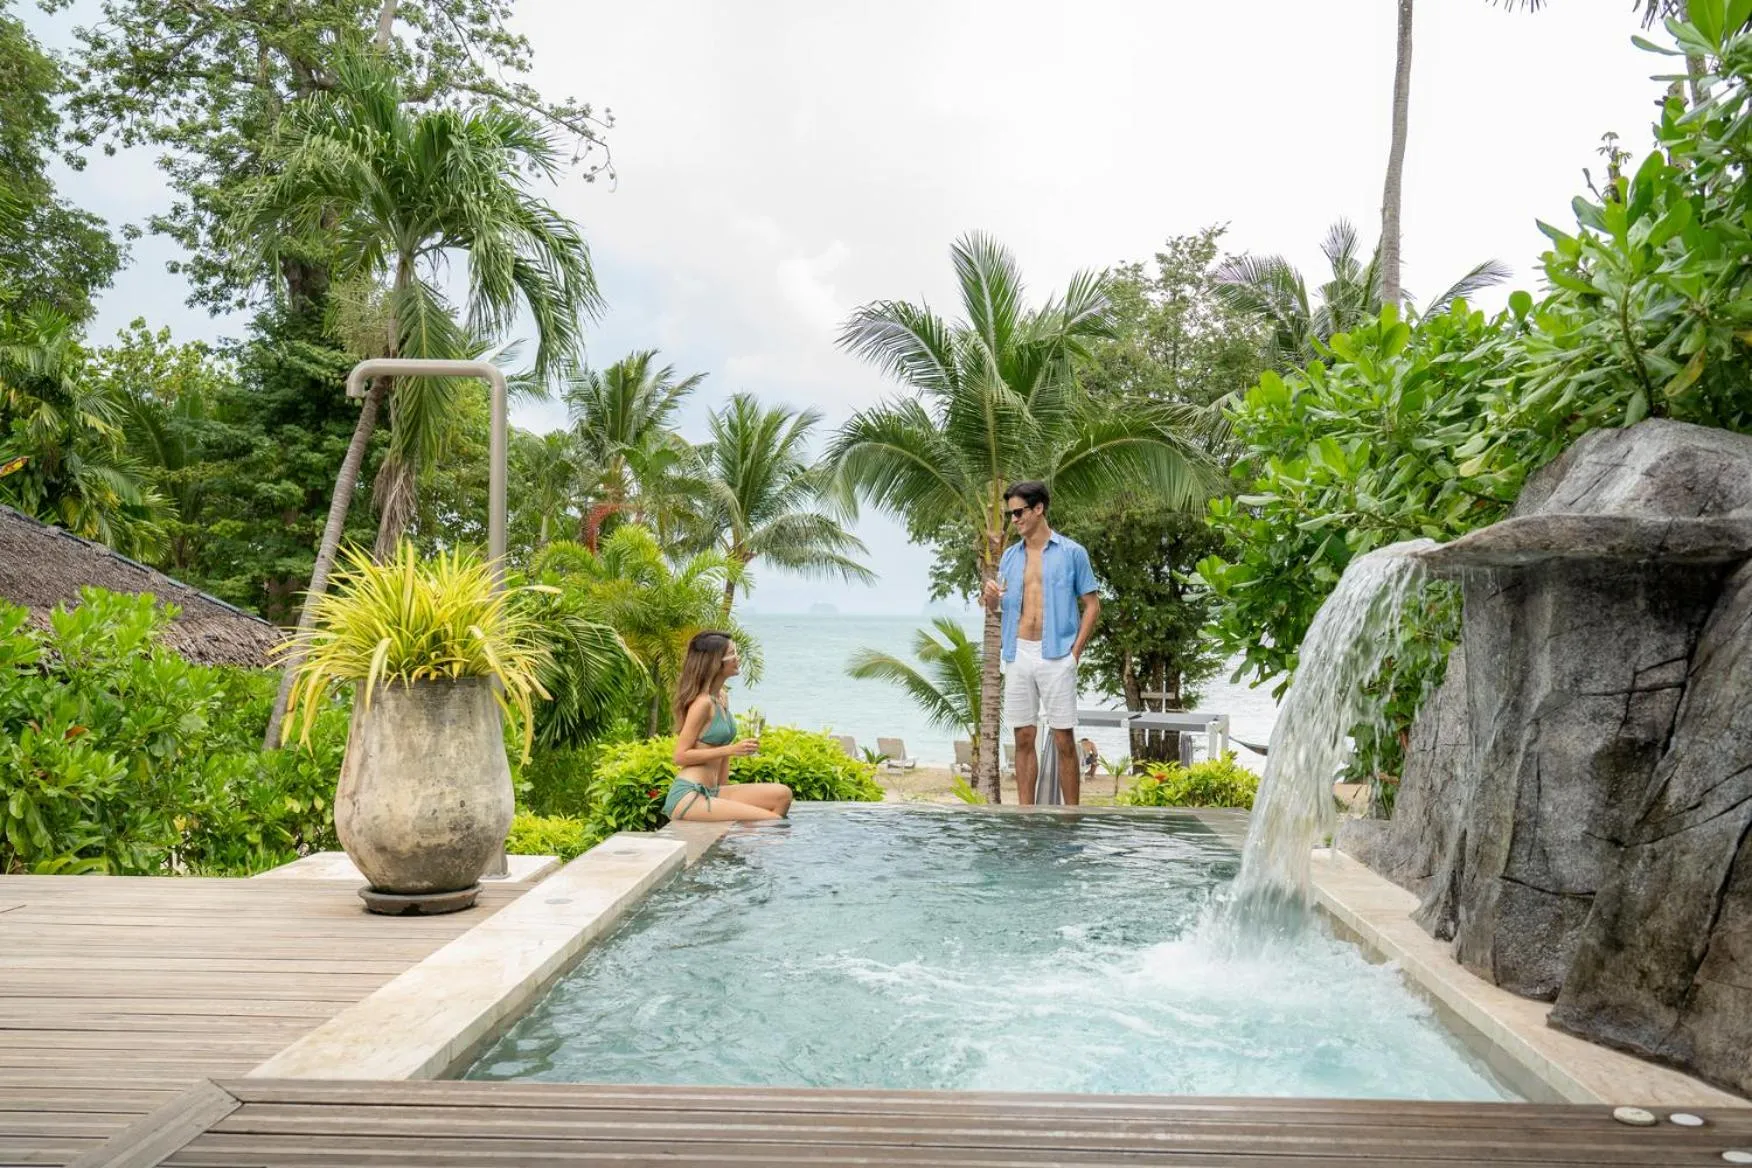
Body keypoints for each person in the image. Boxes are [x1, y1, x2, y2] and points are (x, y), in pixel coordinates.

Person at [981, 481, 1101, 805]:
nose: (1014, 520)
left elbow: (1092, 606)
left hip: (1057, 655)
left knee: (1063, 738)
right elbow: (996, 608)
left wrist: (1073, 655)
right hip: (1018, 652)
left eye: (1019, 512)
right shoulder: (1009, 557)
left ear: (1038, 509)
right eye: (1011, 514)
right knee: (1023, 736)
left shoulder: (1072, 553)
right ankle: (1025, 817)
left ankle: (1071, 816)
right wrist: (990, 599)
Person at [665, 631, 793, 822]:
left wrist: (725, 791)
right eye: (732, 654)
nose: (738, 658)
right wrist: (732, 749)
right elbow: (680, 755)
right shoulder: (702, 703)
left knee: (782, 795)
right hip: (691, 795)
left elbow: (722, 755)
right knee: (771, 821)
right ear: (716, 662)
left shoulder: (721, 698)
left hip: (713, 791)